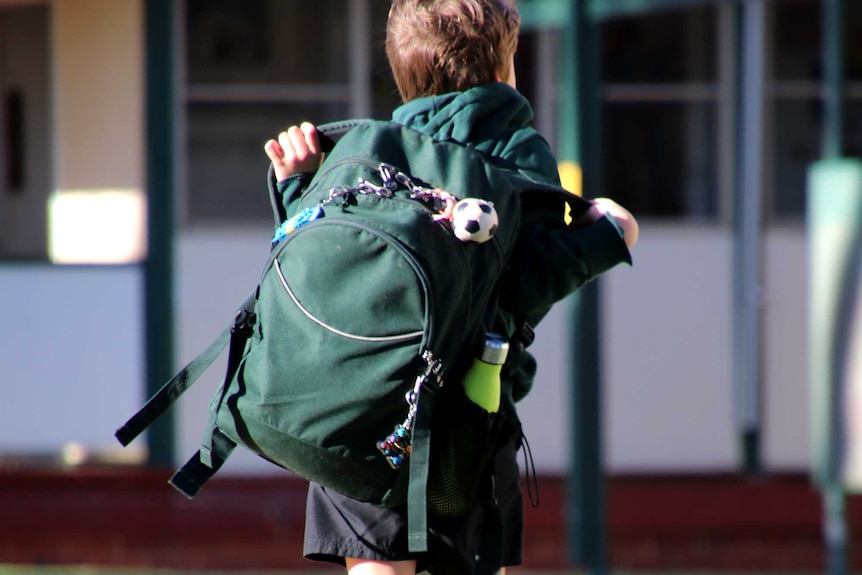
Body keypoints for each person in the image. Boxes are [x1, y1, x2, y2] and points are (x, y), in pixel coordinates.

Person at [263, 1, 638, 574]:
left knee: (377, 568)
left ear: (402, 73)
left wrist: (294, 183)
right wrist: (611, 235)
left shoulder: (370, 152)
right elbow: (522, 284)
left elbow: (312, 256)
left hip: (362, 414)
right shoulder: (516, 153)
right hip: (467, 418)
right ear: (505, 66)